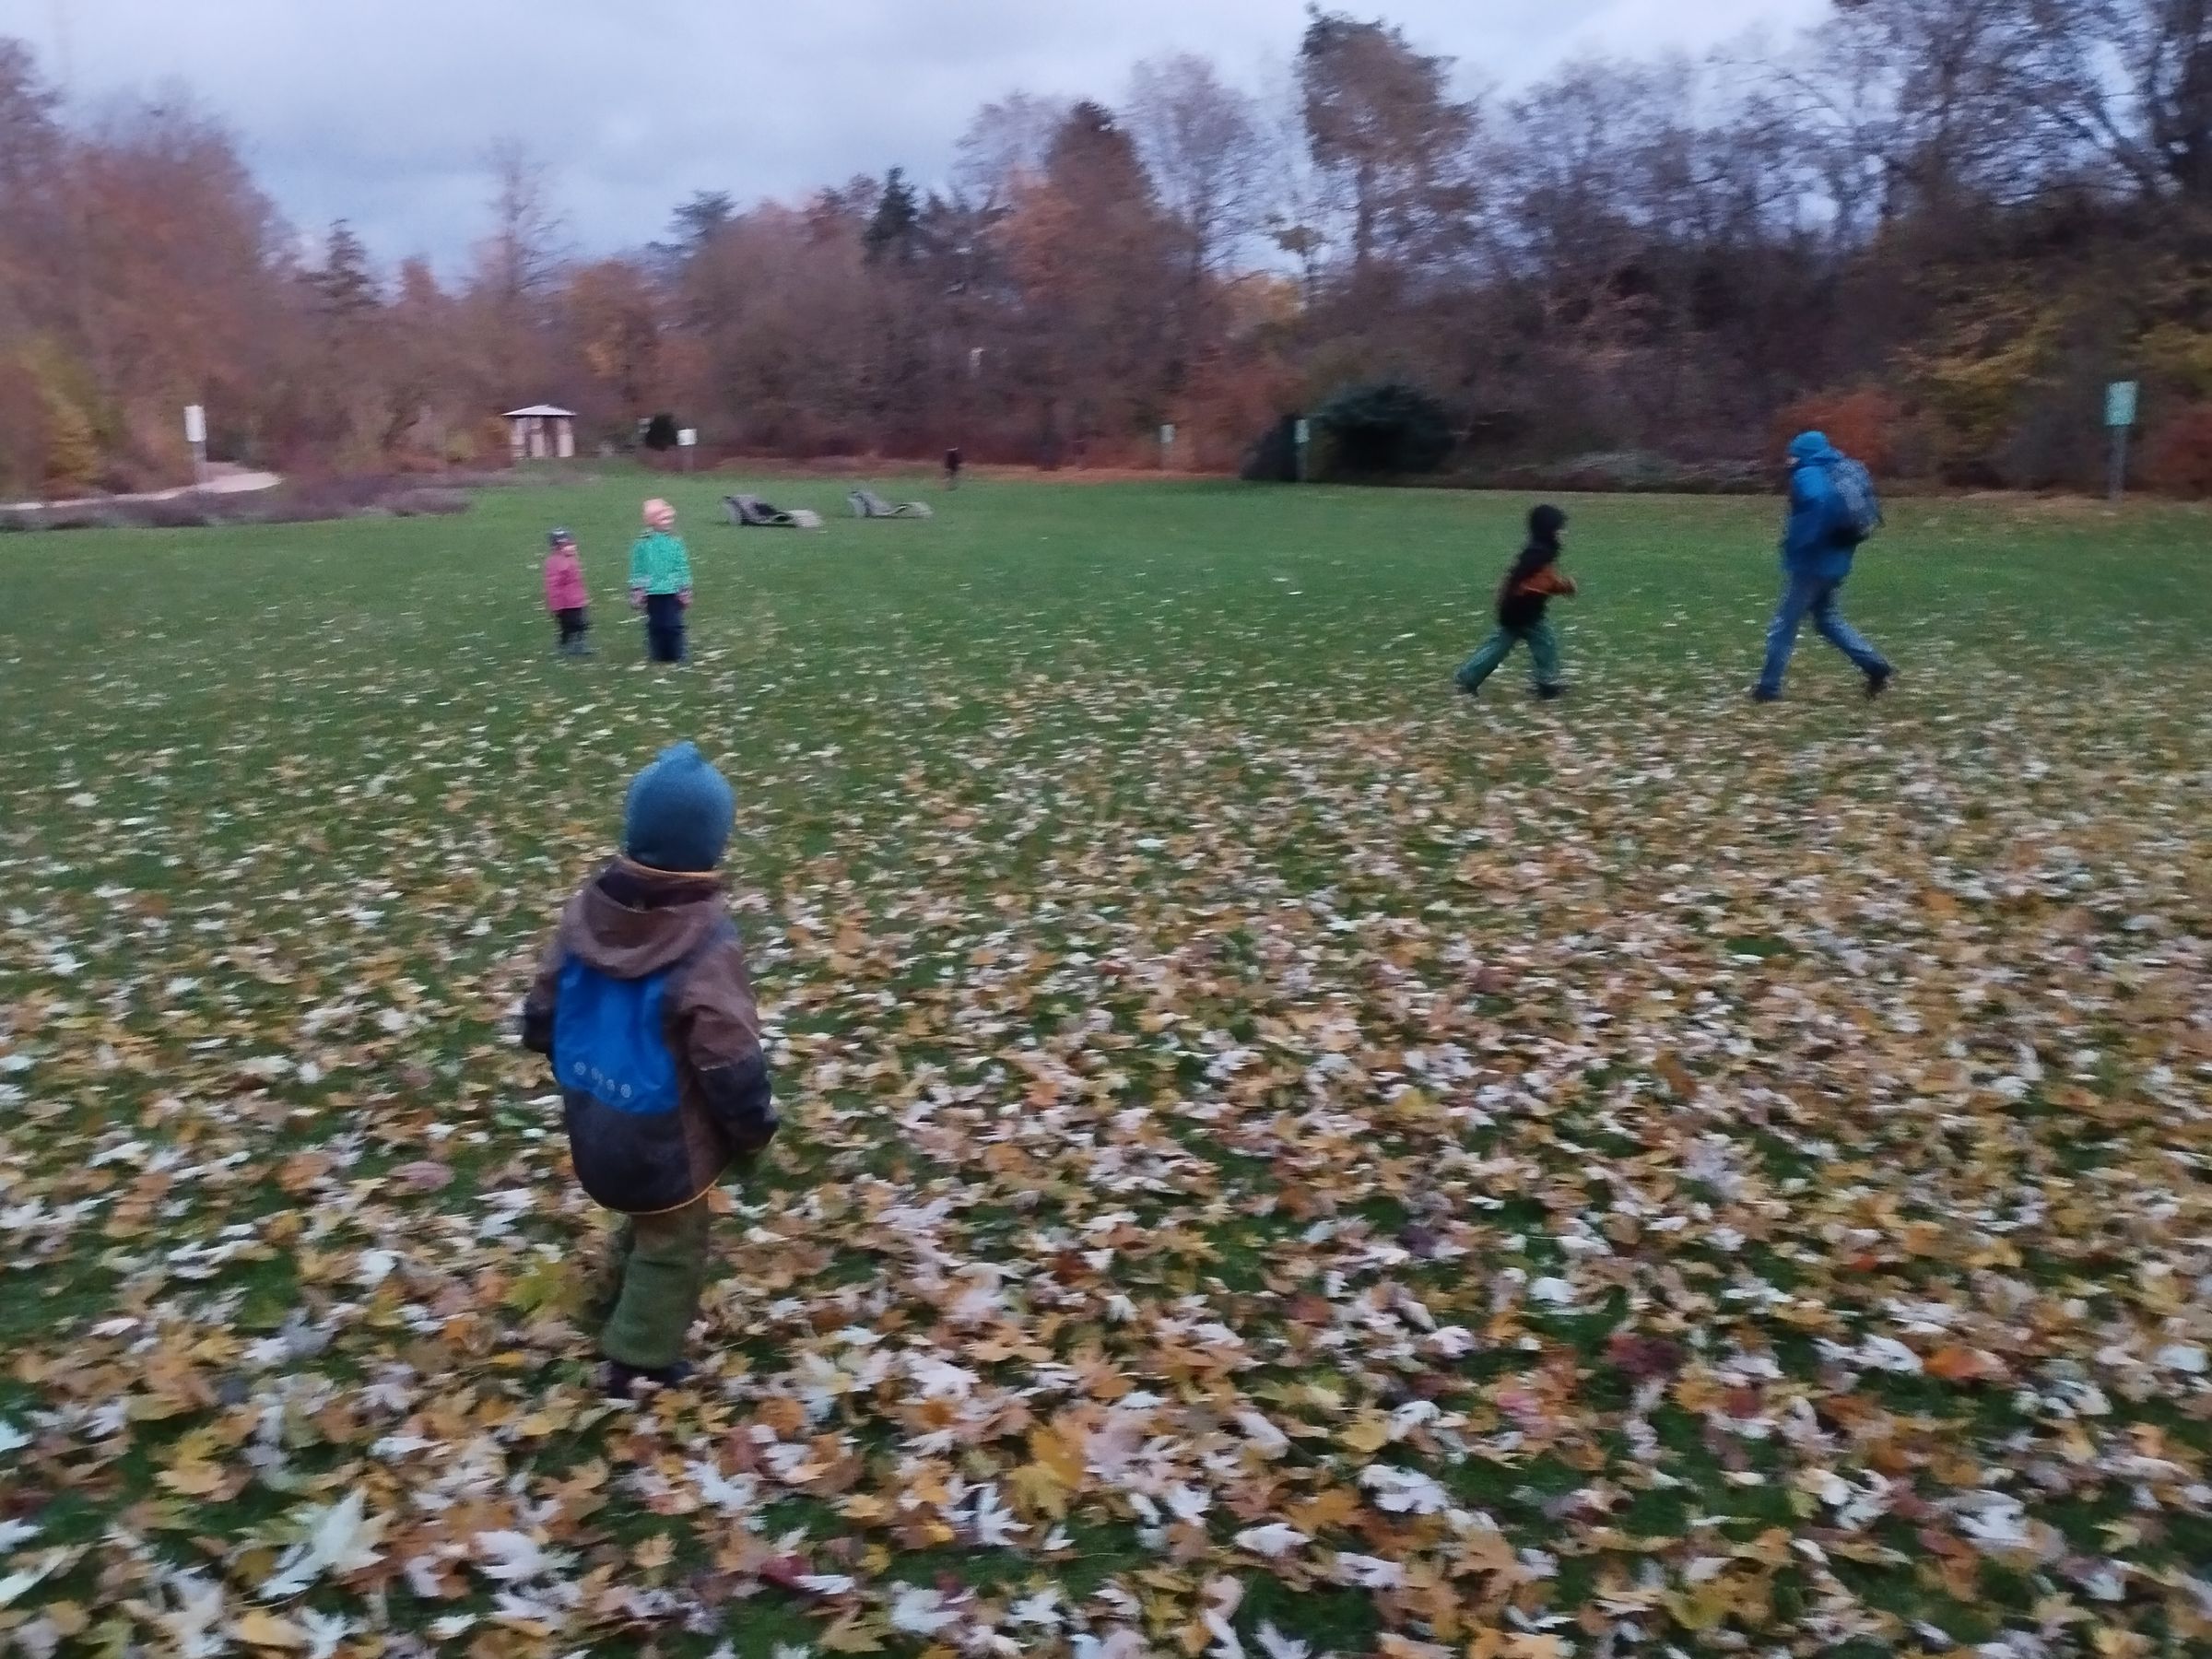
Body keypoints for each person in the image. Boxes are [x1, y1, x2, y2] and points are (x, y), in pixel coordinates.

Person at [521, 741, 777, 1395]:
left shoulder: (588, 908)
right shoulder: (708, 942)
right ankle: (639, 1356)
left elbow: (547, 995)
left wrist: (545, 1039)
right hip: (666, 1138)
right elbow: (729, 1056)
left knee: (644, 1215)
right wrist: (752, 1127)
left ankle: (610, 1295)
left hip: (594, 1111)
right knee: (674, 1240)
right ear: (711, 848)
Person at [1753, 431, 1892, 702]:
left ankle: (1767, 689)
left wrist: (1801, 542)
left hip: (1812, 562)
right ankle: (1875, 665)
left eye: (1793, 453)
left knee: (1784, 624)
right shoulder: (1839, 469)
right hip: (1836, 560)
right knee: (1827, 620)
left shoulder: (1808, 472)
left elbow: (1818, 501)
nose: (1789, 459)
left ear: (1804, 453)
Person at [1456, 504, 1576, 701]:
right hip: (1525, 611)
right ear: (1549, 530)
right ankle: (1547, 683)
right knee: (1545, 643)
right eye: (1561, 528)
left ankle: (1467, 678)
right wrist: (1563, 587)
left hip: (1517, 609)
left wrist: (1558, 587)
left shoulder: (1537, 552)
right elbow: (1539, 583)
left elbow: (1532, 580)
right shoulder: (1540, 554)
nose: (1565, 533)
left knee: (1498, 646)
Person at [629, 499, 692, 665]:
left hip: (672, 591)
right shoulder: (642, 544)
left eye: (670, 518)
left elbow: (682, 566)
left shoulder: (675, 542)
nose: (668, 522)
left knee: (673, 625)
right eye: (663, 519)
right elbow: (638, 568)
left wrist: (684, 588)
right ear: (652, 521)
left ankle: (678, 653)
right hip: (652, 592)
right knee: (656, 625)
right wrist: (638, 589)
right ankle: (657, 654)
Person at [543, 527, 591, 657]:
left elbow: (577, 581)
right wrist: (556, 604)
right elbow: (553, 585)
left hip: (577, 601)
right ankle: (566, 646)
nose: (570, 547)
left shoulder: (572, 559)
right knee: (569, 626)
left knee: (582, 623)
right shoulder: (555, 563)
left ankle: (580, 645)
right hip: (565, 604)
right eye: (565, 545)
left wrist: (583, 598)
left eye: (571, 544)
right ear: (556, 548)